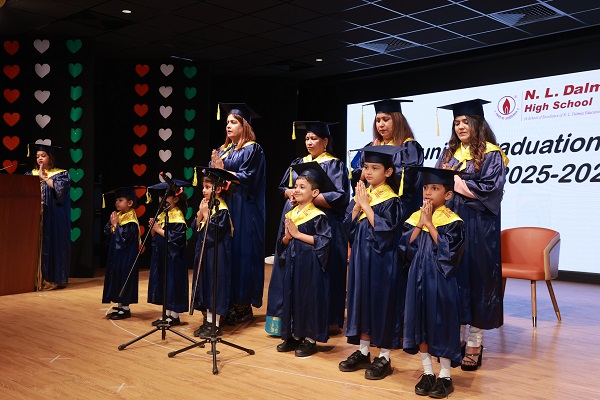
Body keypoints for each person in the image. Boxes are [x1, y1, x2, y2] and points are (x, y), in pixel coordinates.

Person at [436, 99, 509, 371]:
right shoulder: (448, 154)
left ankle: (475, 344)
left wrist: (454, 181)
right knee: (453, 280)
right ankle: (455, 339)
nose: (460, 127)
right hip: (450, 224)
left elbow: (490, 191)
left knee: (477, 281)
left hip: (478, 227)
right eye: (457, 123)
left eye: (466, 122)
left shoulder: (492, 154)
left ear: (478, 124)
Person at [266, 121, 350, 336]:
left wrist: (308, 198)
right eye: (307, 138)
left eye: (314, 138)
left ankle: (323, 322)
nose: (309, 142)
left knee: (319, 271)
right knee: (288, 266)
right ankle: (287, 320)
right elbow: (283, 187)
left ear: (325, 141)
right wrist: (291, 193)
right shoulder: (298, 163)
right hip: (294, 215)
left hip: (321, 221)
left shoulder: (335, 165)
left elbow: (340, 196)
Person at [399, 167, 466, 398]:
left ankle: (445, 376)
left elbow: (450, 253)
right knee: (420, 323)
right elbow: (405, 247)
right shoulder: (414, 218)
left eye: (434, 188)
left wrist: (429, 223)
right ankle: (428, 372)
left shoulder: (453, 222)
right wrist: (420, 223)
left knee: (442, 323)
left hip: (441, 281)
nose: (427, 192)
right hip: (417, 278)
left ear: (448, 195)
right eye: (426, 187)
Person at [340, 145, 405, 380]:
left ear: (388, 172)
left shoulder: (392, 201)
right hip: (360, 259)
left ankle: (384, 356)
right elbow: (346, 229)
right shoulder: (362, 195)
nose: (368, 172)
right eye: (366, 167)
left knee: (382, 304)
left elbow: (386, 233)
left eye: (375, 168)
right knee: (362, 301)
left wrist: (366, 206)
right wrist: (357, 206)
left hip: (382, 262)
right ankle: (363, 351)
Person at [210, 103, 266, 325]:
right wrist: (214, 170)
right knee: (226, 254)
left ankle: (243, 306)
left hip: (245, 209)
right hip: (225, 207)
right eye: (227, 122)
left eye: (233, 122)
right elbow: (213, 177)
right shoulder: (222, 150)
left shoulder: (253, 149)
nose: (228, 126)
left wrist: (222, 170)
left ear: (244, 126)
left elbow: (250, 178)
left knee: (242, 254)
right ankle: (225, 303)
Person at [275, 162, 333, 357]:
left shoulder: (318, 216)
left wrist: (298, 235)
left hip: (310, 265)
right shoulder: (291, 214)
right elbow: (283, 242)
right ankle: (294, 334)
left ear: (315, 193)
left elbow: (324, 241)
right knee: (293, 296)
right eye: (296, 186)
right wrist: (287, 237)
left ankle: (310, 339)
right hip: (293, 264)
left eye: (302, 187)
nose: (297, 190)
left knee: (308, 299)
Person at [351, 99, 424, 221]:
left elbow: (408, 180)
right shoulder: (371, 146)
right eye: (378, 120)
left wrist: (379, 164)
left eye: (386, 119)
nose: (381, 125)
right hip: (371, 204)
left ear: (397, 120)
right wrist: (367, 168)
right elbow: (357, 175)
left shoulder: (409, 147)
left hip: (398, 209)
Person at [190, 168, 239, 338]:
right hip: (205, 255)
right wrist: (200, 216)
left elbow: (214, 234)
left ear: (218, 189)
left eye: (207, 187)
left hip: (216, 256)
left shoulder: (222, 210)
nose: (203, 190)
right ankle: (208, 322)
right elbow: (196, 230)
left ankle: (215, 325)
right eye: (203, 187)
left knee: (215, 287)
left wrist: (206, 215)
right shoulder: (206, 206)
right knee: (206, 286)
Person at [26, 141, 71, 290]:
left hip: (53, 217)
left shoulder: (61, 174)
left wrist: (44, 178)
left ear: (50, 157)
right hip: (33, 216)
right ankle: (31, 279)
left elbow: (61, 193)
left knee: (51, 245)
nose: (39, 158)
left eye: (43, 155)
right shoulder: (30, 174)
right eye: (38, 156)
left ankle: (50, 278)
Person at [147, 182, 189, 326]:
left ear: (175, 199)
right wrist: (153, 228)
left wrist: (158, 229)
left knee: (173, 284)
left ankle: (174, 316)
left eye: (165, 197)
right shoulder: (162, 214)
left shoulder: (178, 217)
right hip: (163, 256)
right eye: (161, 197)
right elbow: (155, 237)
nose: (162, 200)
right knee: (165, 284)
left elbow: (176, 240)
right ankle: (166, 314)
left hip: (174, 258)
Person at [102, 187, 141, 320]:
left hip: (126, 257)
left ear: (130, 203)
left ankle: (125, 308)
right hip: (116, 256)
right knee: (117, 278)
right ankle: (119, 306)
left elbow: (124, 239)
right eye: (116, 200)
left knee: (125, 278)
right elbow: (107, 232)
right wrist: (113, 225)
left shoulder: (131, 221)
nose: (117, 203)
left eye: (120, 200)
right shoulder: (119, 215)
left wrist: (115, 225)